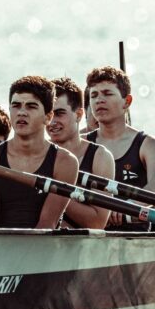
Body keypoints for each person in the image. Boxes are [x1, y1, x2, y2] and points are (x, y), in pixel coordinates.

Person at [0, 76, 78, 229]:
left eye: (31, 106)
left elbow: (46, 225)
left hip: (42, 248)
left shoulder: (66, 163)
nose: (21, 112)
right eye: (16, 105)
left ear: (48, 117)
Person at [86, 66, 155, 227]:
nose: (99, 100)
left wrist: (129, 206)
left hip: (136, 231)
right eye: (94, 95)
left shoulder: (149, 145)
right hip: (92, 230)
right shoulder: (81, 144)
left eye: (108, 94)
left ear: (127, 101)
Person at [48, 77, 114, 228]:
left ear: (78, 115)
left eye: (59, 113)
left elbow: (97, 222)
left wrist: (52, 190)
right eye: (49, 114)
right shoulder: (36, 152)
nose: (52, 122)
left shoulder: (100, 157)